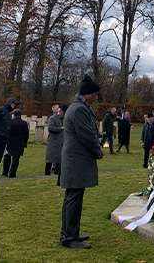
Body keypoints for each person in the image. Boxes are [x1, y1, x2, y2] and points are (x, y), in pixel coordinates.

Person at [60, 76, 103, 249]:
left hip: (76, 160)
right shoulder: (78, 110)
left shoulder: (80, 107)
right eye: (95, 94)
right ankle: (69, 238)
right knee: (73, 199)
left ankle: (71, 233)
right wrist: (98, 150)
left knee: (73, 198)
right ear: (87, 95)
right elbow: (87, 135)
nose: (97, 97)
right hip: (76, 160)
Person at [0, 97, 18, 178]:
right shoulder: (0, 110)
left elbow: (8, 129)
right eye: (13, 103)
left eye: (15, 104)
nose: (14, 105)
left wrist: (7, 141)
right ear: (9, 103)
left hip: (3, 140)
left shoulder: (8, 114)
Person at [3, 108, 30, 178]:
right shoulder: (24, 123)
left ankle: (5, 172)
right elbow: (26, 134)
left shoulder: (9, 122)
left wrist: (5, 142)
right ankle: (12, 173)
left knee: (7, 157)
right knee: (16, 158)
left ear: (13, 115)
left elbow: (6, 132)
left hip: (9, 142)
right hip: (19, 142)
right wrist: (24, 143)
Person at [45, 104, 66, 183]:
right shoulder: (52, 118)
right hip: (53, 141)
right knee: (50, 157)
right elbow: (50, 128)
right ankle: (47, 173)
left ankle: (57, 173)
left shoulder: (64, 118)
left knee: (59, 158)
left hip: (61, 141)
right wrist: (60, 128)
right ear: (59, 111)